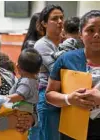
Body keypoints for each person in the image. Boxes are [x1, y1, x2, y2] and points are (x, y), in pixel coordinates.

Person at [46, 10, 100, 140]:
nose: (97, 35)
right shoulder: (66, 59)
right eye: (90, 30)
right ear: (80, 34)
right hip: (72, 132)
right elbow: (50, 94)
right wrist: (69, 99)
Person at [29, 5, 64, 140]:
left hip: (62, 94)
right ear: (44, 23)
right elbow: (56, 70)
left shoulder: (63, 43)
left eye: (61, 18)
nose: (60, 21)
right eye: (55, 18)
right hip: (46, 96)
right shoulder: (42, 44)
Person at [8, 48, 42, 115]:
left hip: (21, 110)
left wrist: (1, 99)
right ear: (38, 70)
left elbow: (19, 96)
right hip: (29, 111)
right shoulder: (36, 80)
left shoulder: (26, 82)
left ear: (18, 67)